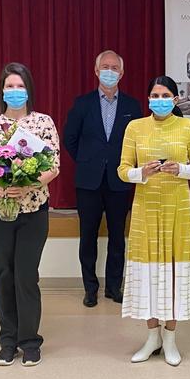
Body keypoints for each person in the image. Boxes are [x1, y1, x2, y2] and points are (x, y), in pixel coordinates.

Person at [0, 62, 60, 367]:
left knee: (26, 275)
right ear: (2, 91)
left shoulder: (43, 122)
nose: (15, 91)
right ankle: (7, 340)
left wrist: (28, 184)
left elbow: (53, 165)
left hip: (33, 210)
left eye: (20, 86)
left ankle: (30, 341)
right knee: (4, 274)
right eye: (9, 86)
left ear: (28, 90)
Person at [118, 75, 190, 367]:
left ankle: (170, 338)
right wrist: (141, 173)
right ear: (148, 99)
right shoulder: (135, 127)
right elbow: (122, 170)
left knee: (172, 273)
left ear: (176, 99)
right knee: (147, 273)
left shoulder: (188, 126)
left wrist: (179, 168)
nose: (159, 100)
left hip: (177, 209)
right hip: (145, 209)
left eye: (165, 94)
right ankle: (151, 337)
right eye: (155, 95)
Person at [64, 50, 142, 308]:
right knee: (88, 236)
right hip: (88, 181)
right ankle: (90, 288)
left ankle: (113, 287)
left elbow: (137, 143)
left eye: (114, 67)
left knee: (118, 236)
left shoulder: (132, 106)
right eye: (105, 67)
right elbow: (70, 140)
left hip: (120, 180)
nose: (110, 71)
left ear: (121, 73)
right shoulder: (82, 103)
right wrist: (88, 160)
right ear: (97, 71)